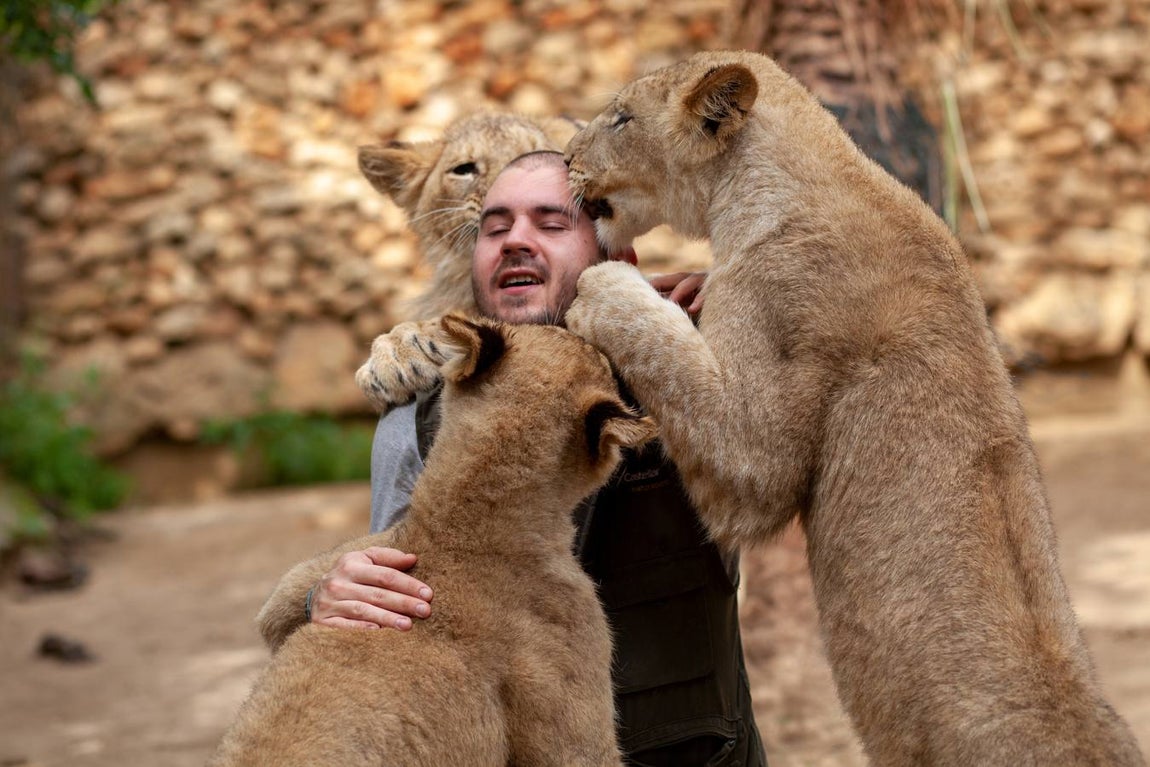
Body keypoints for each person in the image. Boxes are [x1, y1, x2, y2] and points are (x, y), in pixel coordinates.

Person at [308, 150, 766, 766]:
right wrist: (327, 596)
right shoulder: (413, 421)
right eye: (493, 228)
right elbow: (392, 609)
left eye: (551, 224)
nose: (514, 241)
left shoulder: (694, 374)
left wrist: (754, 305)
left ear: (618, 260)